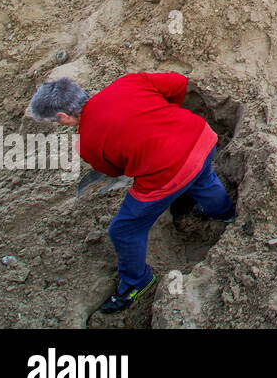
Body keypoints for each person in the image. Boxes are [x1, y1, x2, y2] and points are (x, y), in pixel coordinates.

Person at [27, 73, 236, 314]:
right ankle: (224, 213)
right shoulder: (126, 82)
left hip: (168, 172)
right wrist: (164, 118)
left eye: (56, 121)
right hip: (200, 137)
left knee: (124, 230)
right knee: (203, 177)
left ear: (63, 116)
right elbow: (178, 82)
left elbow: (113, 170)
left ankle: (137, 282)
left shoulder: (86, 144)